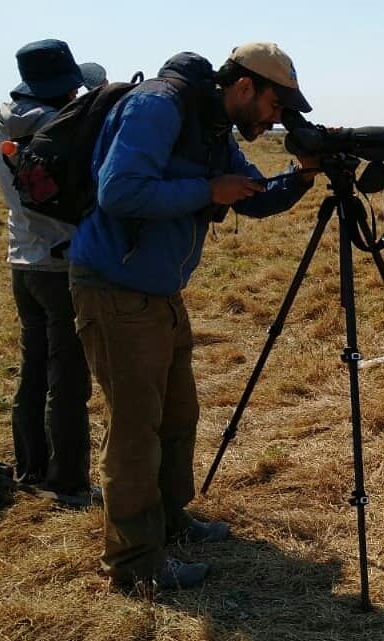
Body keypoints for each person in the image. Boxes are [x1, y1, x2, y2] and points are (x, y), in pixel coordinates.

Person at [69, 42, 319, 590]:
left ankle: (170, 521)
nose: (278, 119)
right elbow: (118, 191)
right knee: (136, 429)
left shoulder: (213, 130)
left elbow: (250, 197)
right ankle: (135, 564)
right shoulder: (158, 107)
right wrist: (208, 190)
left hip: (160, 293)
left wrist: (302, 177)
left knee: (178, 415)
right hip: (115, 288)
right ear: (246, 87)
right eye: (277, 106)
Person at [0, 39, 96, 507]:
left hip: (22, 259)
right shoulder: (60, 125)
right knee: (68, 376)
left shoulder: (2, 118)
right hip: (59, 264)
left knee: (33, 369)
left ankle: (31, 467)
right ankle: (68, 482)